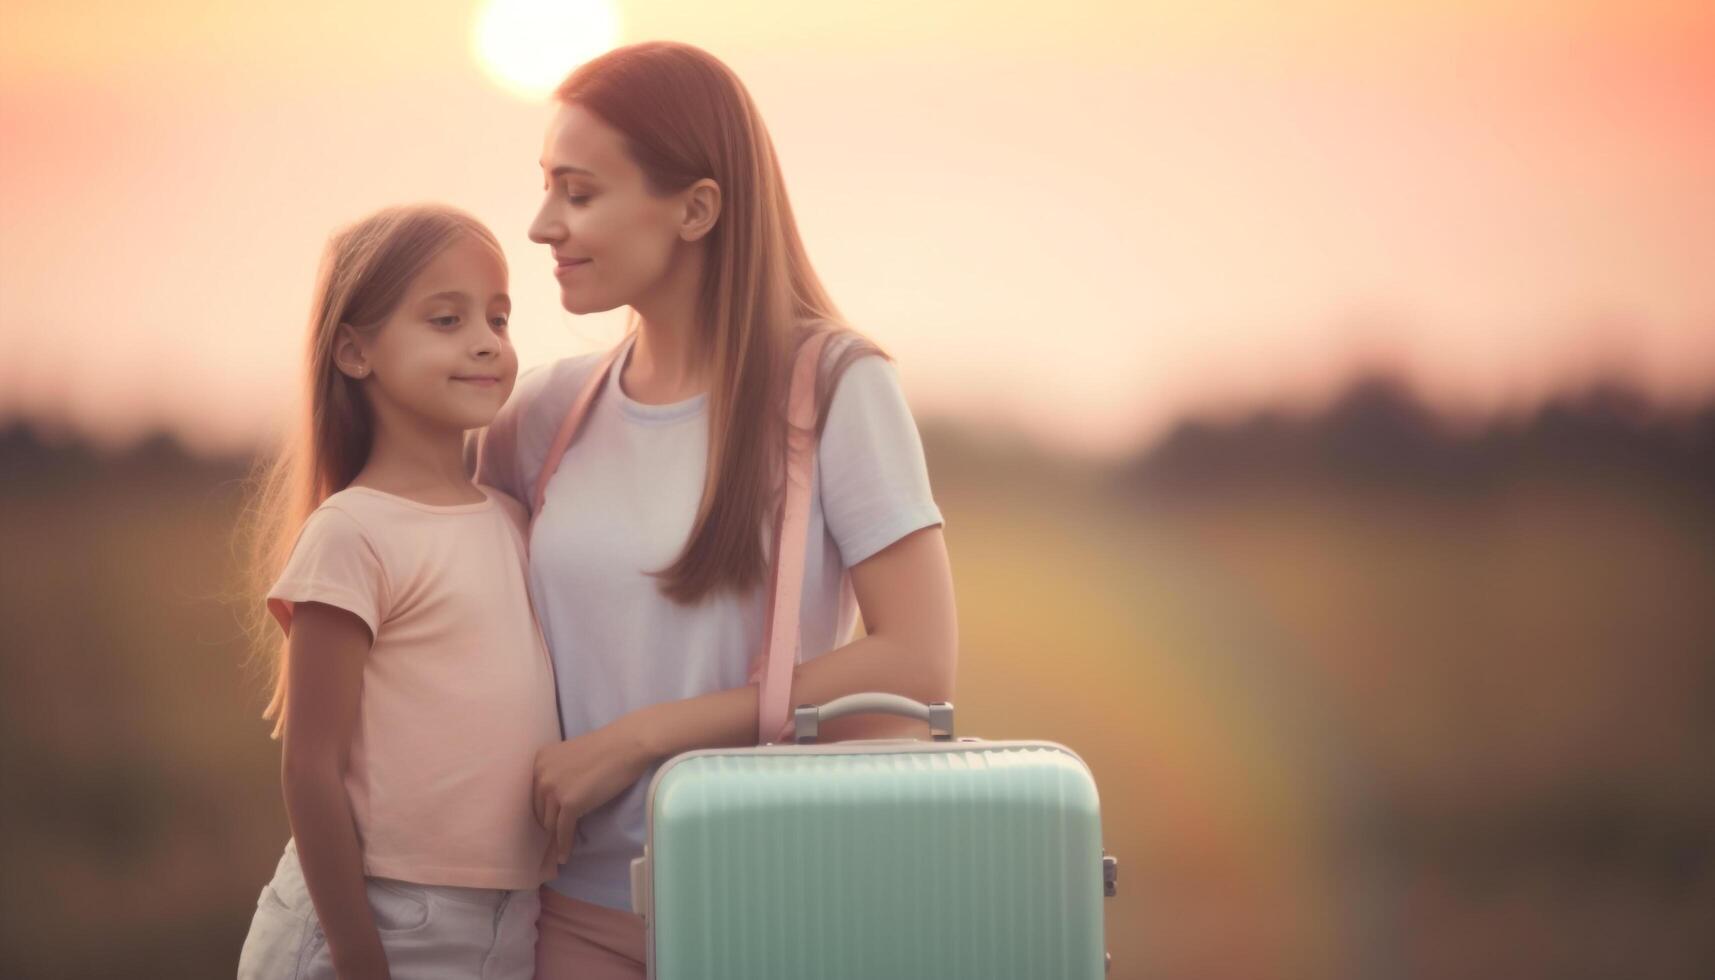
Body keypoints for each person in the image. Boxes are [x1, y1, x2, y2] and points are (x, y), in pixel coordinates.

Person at [474, 41, 959, 979]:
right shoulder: (541, 414)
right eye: (545, 187)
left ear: (695, 208)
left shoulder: (834, 386)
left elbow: (917, 658)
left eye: (578, 193)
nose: (540, 226)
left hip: (771, 901)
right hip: (567, 913)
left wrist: (641, 740)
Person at [238, 204, 559, 980]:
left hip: (503, 926)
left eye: (499, 318)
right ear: (355, 351)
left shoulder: (515, 520)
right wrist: (355, 953)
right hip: (372, 922)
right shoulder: (352, 533)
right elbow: (309, 769)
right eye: (446, 320)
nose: (486, 341)